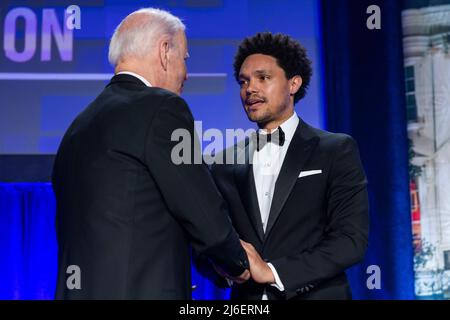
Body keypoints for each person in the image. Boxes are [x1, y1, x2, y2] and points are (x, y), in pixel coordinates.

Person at [52, 8, 249, 300]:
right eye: (185, 58)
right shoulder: (162, 108)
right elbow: (200, 207)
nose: (186, 73)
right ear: (164, 51)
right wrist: (239, 264)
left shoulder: (77, 128)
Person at [210, 32, 369, 300]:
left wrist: (273, 272)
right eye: (244, 81)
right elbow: (213, 240)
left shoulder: (335, 149)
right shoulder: (224, 162)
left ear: (293, 83)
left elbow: (350, 241)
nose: (250, 89)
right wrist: (223, 265)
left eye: (263, 78)